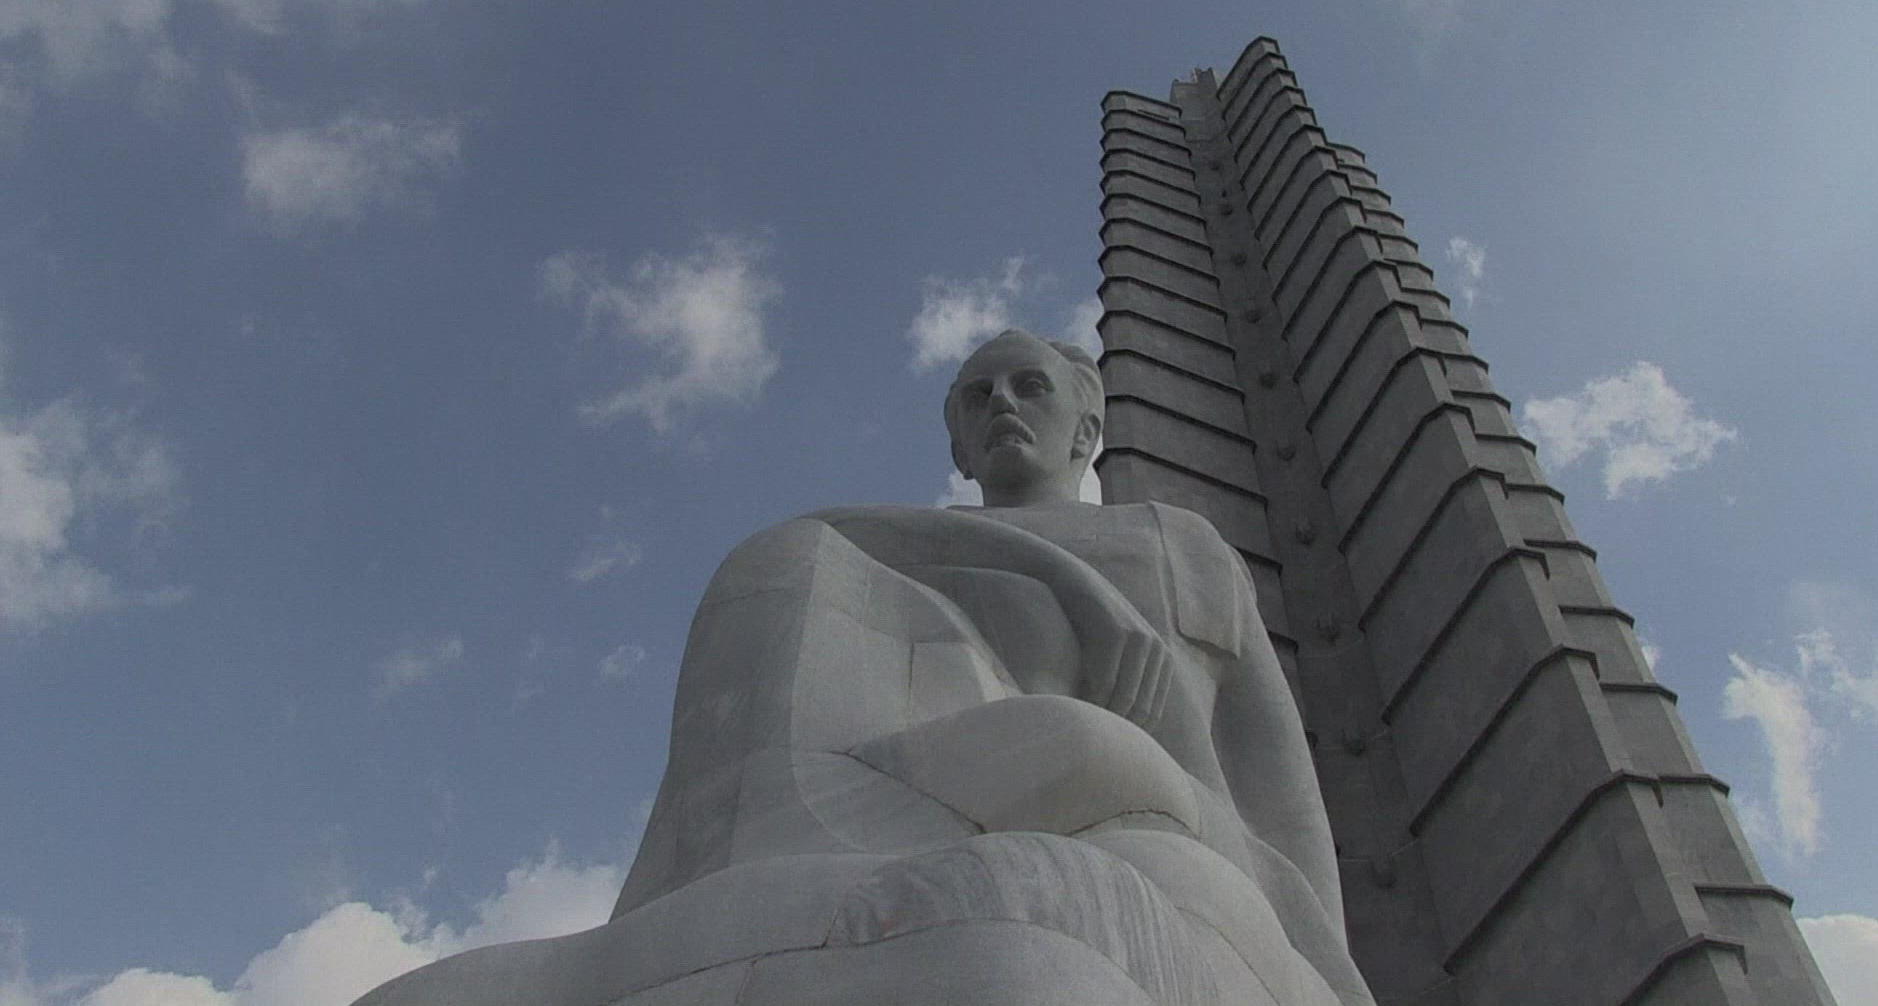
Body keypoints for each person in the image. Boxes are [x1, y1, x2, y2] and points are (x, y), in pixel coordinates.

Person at [352, 329, 1373, 1006]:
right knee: (786, 560)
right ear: (959, 449)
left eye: (1029, 386)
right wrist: (1064, 582)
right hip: (936, 770)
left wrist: (1321, 964)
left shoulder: (1180, 545)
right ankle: (768, 861)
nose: (1002, 404)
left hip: (1149, 806)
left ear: (1089, 426)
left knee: (1075, 754)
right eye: (976, 397)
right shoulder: (887, 549)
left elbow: (1281, 798)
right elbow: (808, 535)